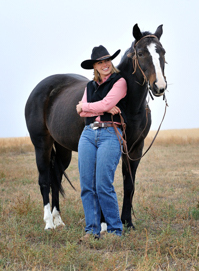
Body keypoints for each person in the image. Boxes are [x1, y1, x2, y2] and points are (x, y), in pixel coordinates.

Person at [76, 45, 127, 241]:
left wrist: (86, 106)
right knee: (87, 185)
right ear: (95, 66)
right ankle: (92, 231)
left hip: (110, 134)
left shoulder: (119, 82)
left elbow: (97, 105)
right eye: (100, 62)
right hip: (88, 134)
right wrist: (97, 108)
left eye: (107, 60)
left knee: (103, 184)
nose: (105, 65)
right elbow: (81, 113)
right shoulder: (90, 86)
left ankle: (115, 230)